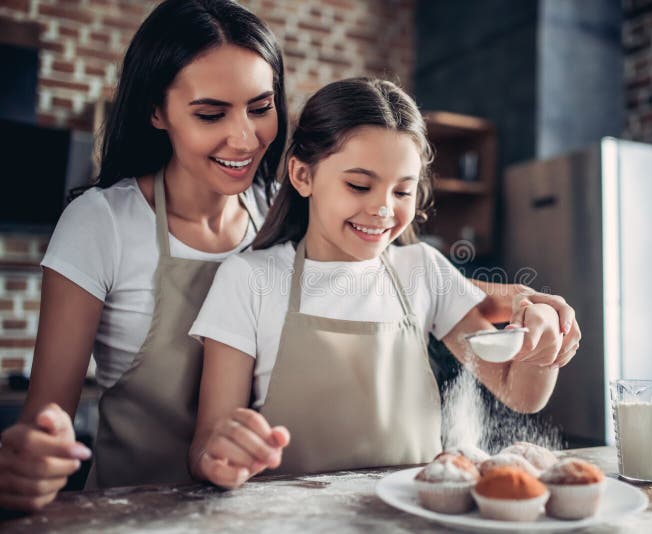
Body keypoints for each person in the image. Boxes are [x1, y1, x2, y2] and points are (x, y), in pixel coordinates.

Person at [0, 0, 579, 511]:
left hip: (262, 510)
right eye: (210, 113)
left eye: (260, 106)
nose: (246, 138)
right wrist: (33, 459)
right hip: (139, 509)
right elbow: (46, 421)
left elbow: (399, 272)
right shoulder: (105, 223)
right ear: (157, 111)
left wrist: (528, 308)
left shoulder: (276, 209)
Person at [188, 78, 577, 490]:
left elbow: (521, 394)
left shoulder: (421, 270)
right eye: (359, 185)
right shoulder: (250, 279)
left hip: (414, 516)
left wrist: (542, 341)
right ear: (303, 175)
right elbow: (205, 445)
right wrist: (222, 458)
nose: (382, 208)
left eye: (403, 191)